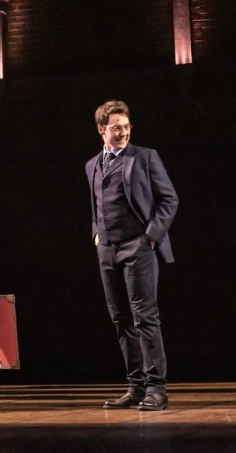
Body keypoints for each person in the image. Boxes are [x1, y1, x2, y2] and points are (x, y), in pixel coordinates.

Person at [87, 100, 178, 412]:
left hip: (137, 246)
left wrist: (151, 236)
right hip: (107, 250)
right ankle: (136, 386)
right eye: (116, 127)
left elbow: (169, 199)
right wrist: (97, 235)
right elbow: (96, 206)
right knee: (121, 319)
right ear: (102, 130)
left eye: (126, 127)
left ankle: (157, 389)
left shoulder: (144, 157)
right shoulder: (92, 165)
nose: (123, 132)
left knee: (145, 317)